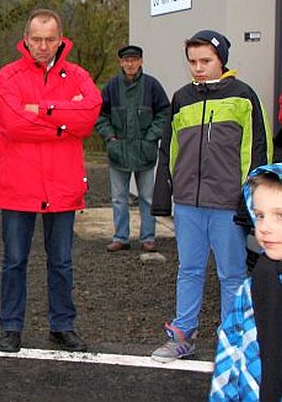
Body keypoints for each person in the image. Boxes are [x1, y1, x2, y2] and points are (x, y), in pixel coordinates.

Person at [150, 29, 271, 362]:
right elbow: (168, 150)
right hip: (188, 203)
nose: (198, 68)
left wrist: (252, 201)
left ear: (222, 59)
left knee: (231, 273)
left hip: (227, 204)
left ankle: (233, 340)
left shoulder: (244, 96)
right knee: (188, 270)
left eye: (206, 60)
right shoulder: (181, 98)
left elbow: (257, 151)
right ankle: (182, 335)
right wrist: (164, 195)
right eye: (192, 61)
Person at [0, 8, 102, 353]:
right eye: (37, 39)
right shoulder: (7, 76)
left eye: (49, 39)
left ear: (60, 39)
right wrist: (65, 121)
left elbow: (91, 112)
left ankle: (63, 324)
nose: (43, 46)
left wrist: (40, 109)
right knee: (14, 261)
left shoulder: (78, 75)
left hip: (62, 183)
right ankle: (11, 326)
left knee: (62, 261)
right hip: (18, 183)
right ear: (25, 38)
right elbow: (11, 123)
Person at [210, 163, 282, 402]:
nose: (265, 227)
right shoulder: (251, 287)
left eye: (279, 216)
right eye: (260, 215)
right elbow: (230, 352)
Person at [95, 45, 170, 253]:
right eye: (126, 60)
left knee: (147, 198)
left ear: (141, 61)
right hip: (118, 152)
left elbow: (164, 112)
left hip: (144, 151)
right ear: (120, 63)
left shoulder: (152, 86)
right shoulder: (111, 87)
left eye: (134, 60)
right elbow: (100, 115)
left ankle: (148, 237)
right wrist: (110, 138)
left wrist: (151, 137)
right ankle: (121, 237)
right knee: (119, 198)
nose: (130, 64)